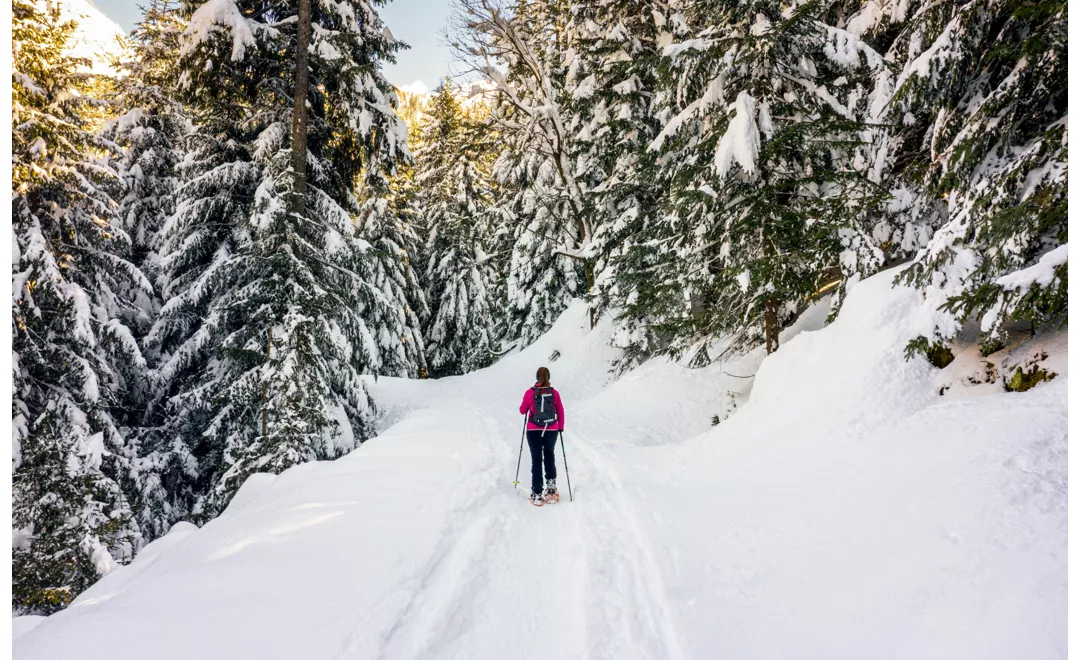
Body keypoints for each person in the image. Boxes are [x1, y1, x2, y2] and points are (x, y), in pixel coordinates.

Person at [519, 366, 565, 506]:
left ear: (536, 378)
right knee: (549, 455)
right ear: (548, 378)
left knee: (537, 460)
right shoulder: (554, 393)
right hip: (551, 430)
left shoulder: (529, 392)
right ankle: (551, 488)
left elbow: (522, 411)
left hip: (533, 430)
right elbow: (561, 411)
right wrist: (560, 428)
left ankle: (537, 493)